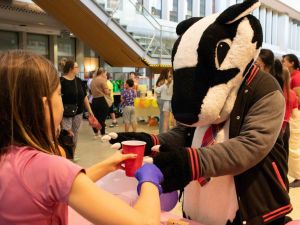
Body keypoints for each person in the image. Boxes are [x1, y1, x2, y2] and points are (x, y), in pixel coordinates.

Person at [0, 50, 163, 225]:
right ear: (45, 104)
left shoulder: (10, 159)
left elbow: (62, 184)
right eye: (59, 94)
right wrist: (150, 181)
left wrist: (106, 166)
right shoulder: (49, 167)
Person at [61, 59, 93, 160]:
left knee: (75, 135)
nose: (78, 69)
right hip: (65, 113)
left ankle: (72, 155)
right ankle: (64, 156)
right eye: (76, 67)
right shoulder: (61, 81)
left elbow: (84, 97)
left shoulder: (78, 81)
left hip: (78, 113)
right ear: (71, 69)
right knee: (66, 134)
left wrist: (90, 111)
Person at [90, 67, 110, 136]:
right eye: (105, 73)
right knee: (102, 119)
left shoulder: (92, 80)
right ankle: (103, 134)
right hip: (102, 101)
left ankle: (96, 133)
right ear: (102, 73)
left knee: (96, 118)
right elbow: (106, 92)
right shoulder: (102, 80)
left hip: (94, 100)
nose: (106, 75)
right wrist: (109, 90)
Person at [155, 69, 169, 134]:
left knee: (163, 116)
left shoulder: (159, 80)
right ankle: (163, 133)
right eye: (168, 72)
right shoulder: (165, 81)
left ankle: (163, 132)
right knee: (164, 117)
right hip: (163, 99)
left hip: (159, 99)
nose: (169, 74)